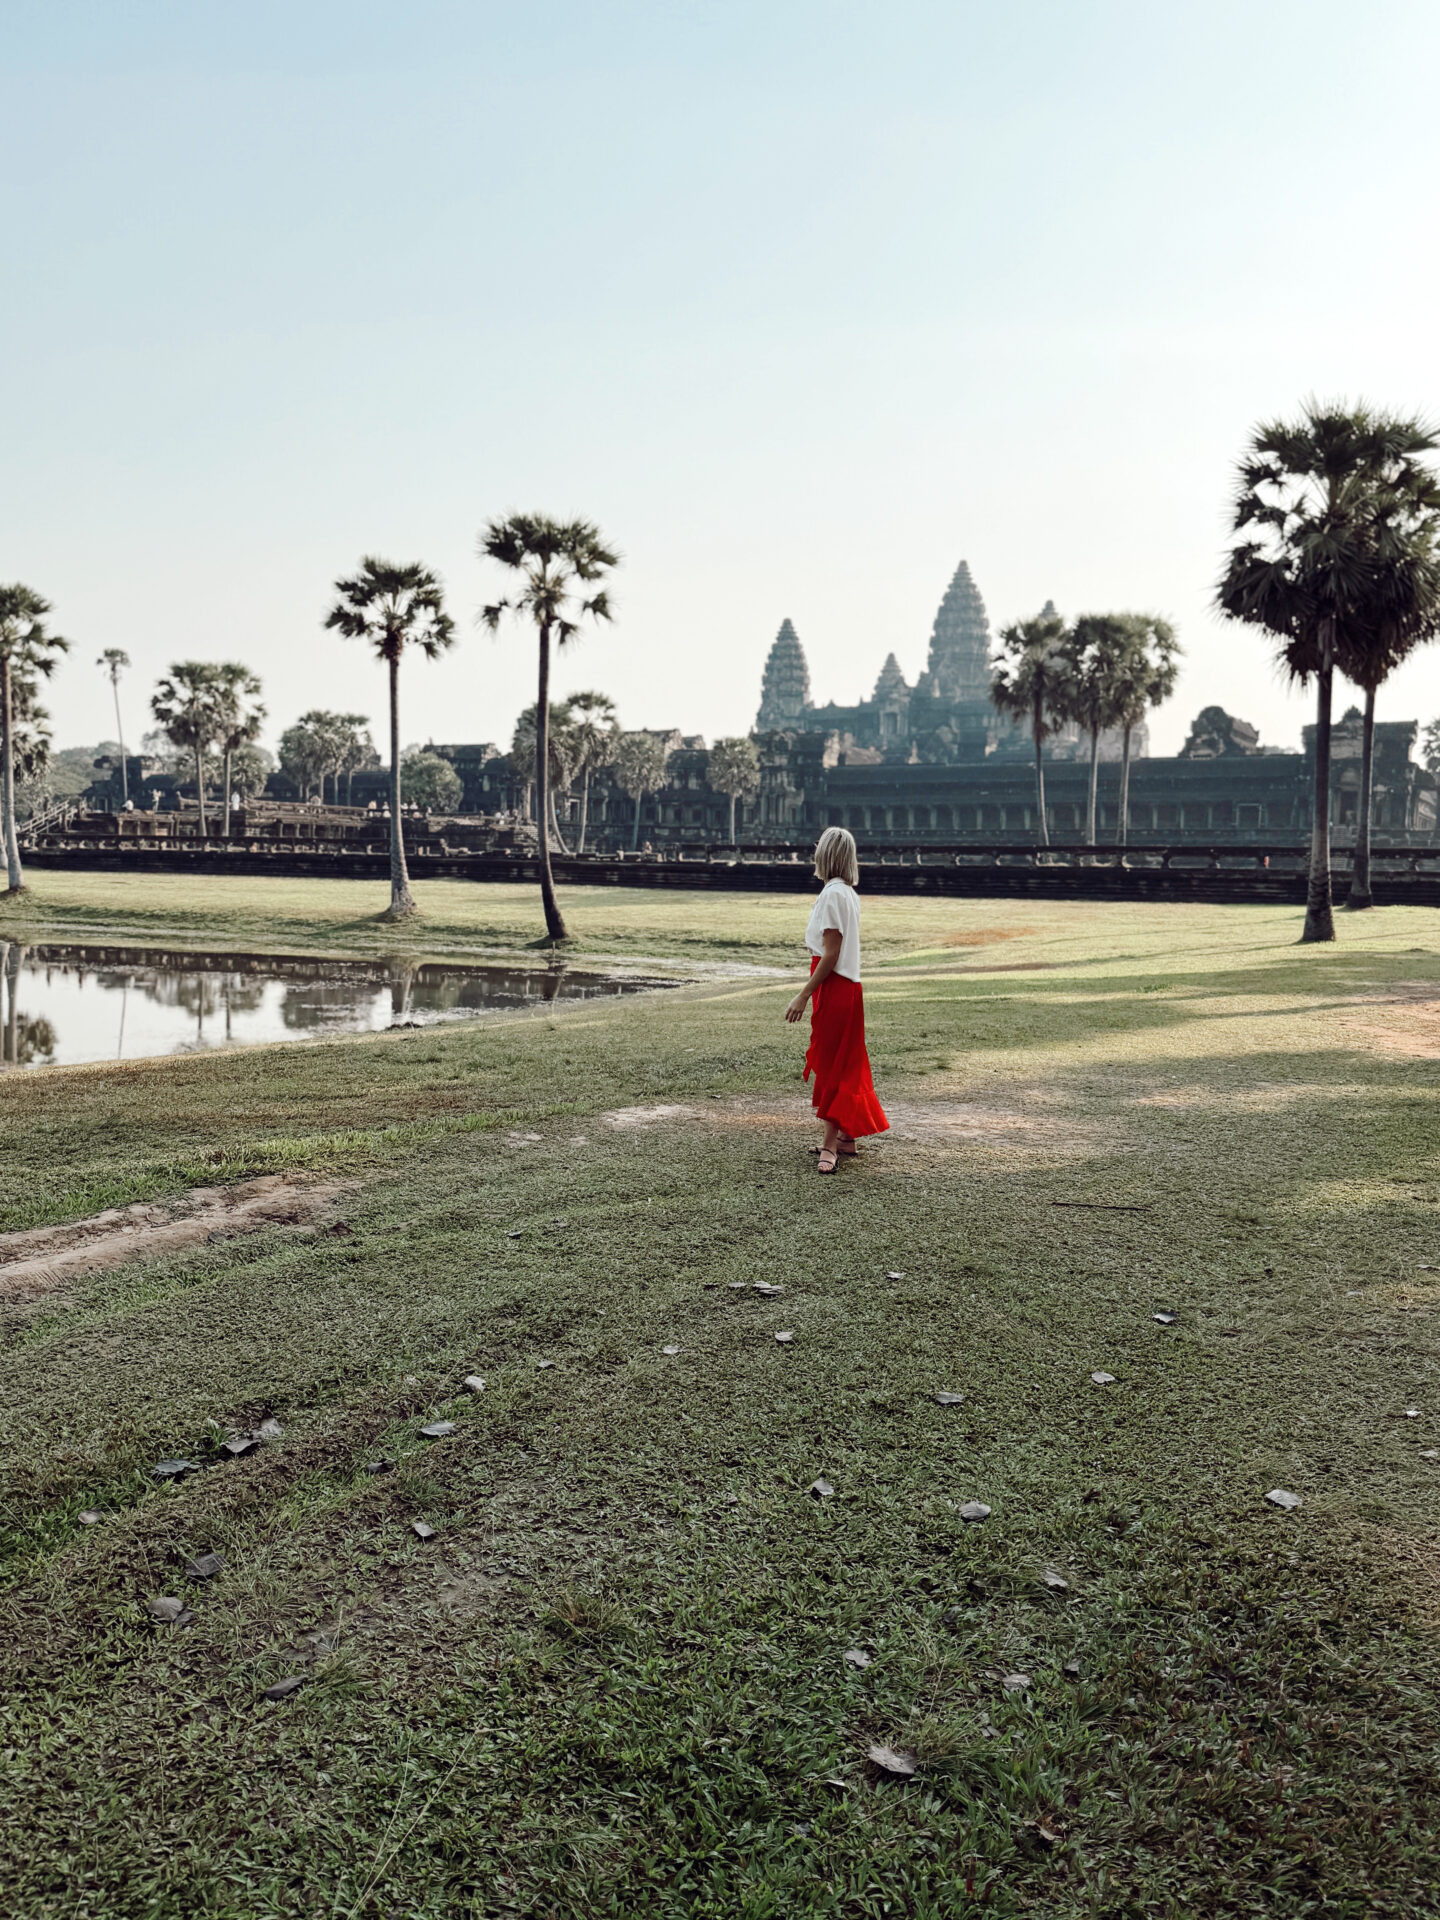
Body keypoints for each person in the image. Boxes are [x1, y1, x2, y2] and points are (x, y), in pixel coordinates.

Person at [785, 826, 888, 1173]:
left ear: (825, 855)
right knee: (846, 1062)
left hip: (835, 984)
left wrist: (803, 994)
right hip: (849, 987)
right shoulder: (846, 893)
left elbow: (830, 955)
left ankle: (830, 1145)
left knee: (832, 1065)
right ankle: (846, 1137)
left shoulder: (833, 895)